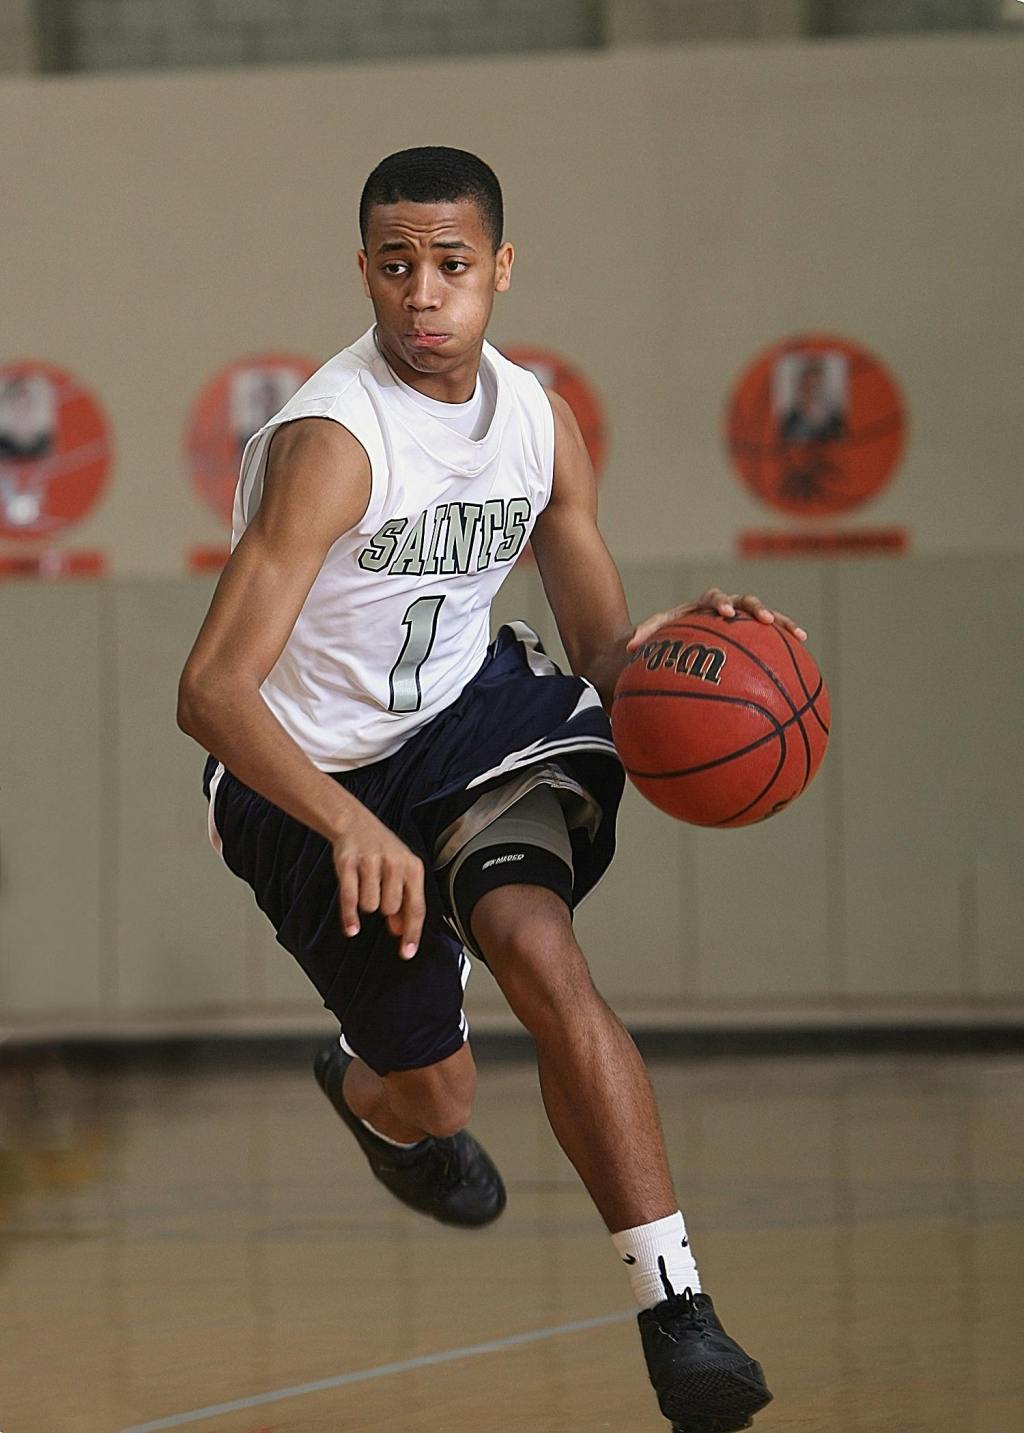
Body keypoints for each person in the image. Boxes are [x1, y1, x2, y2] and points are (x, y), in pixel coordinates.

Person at [178, 146, 807, 1433]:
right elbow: (213, 692)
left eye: (452, 266)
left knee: (539, 949)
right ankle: (375, 1095)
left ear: (499, 272)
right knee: (437, 1090)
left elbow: (605, 656)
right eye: (397, 265)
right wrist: (348, 822)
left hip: (466, 719)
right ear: (364, 270)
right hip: (302, 772)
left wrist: (693, 650)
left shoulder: (538, 423)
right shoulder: (330, 446)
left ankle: (675, 1308)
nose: (424, 294)